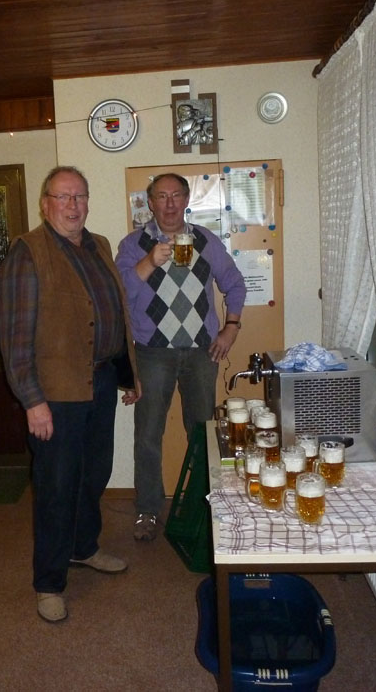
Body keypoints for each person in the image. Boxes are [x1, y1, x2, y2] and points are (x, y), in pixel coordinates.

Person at [0, 166, 140, 622]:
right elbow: (15, 338)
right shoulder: (27, 253)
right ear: (46, 204)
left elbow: (114, 313)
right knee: (56, 487)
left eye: (79, 196)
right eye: (63, 197)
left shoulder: (99, 245)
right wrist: (32, 400)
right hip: (55, 393)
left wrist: (128, 373)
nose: (73, 205)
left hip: (100, 381)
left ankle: (83, 547)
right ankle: (49, 582)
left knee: (94, 473)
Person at [115, 172, 246, 541]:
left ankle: (206, 507)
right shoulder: (133, 245)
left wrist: (231, 328)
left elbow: (235, 284)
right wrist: (149, 262)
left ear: (187, 200)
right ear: (150, 203)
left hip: (201, 352)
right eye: (161, 196)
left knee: (202, 434)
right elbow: (119, 296)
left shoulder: (204, 240)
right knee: (148, 436)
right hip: (153, 353)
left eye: (176, 195)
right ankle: (147, 510)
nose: (169, 203)